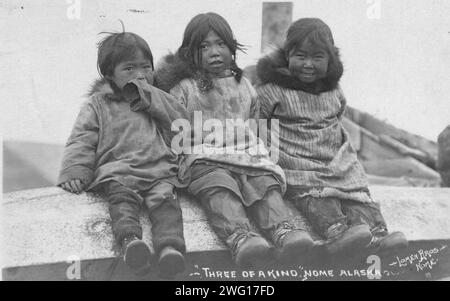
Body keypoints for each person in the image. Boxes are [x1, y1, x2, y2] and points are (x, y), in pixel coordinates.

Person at [155, 12, 314, 268]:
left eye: (221, 44)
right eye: (204, 46)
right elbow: (172, 130)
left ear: (232, 47)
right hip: (204, 158)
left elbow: (255, 122)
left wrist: (264, 152)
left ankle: (283, 231)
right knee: (220, 188)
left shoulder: (244, 85)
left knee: (264, 184)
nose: (214, 52)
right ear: (190, 52)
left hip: (246, 154)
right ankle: (240, 236)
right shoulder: (184, 87)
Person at [255, 18, 408, 257]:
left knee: (357, 196)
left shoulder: (334, 91)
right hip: (298, 163)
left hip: (335, 162)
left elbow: (337, 120)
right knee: (318, 198)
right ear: (287, 56)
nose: (308, 64)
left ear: (330, 59)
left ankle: (378, 234)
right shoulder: (271, 91)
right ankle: (337, 233)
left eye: (318, 57)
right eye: (300, 56)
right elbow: (257, 123)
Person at [57, 31, 189, 278]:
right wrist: (75, 170)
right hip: (119, 171)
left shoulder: (158, 97)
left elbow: (180, 123)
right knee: (122, 203)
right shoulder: (98, 104)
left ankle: (170, 248)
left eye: (145, 67)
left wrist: (153, 98)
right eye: (129, 69)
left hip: (159, 170)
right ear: (110, 75)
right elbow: (82, 139)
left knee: (166, 205)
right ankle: (131, 243)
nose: (140, 75)